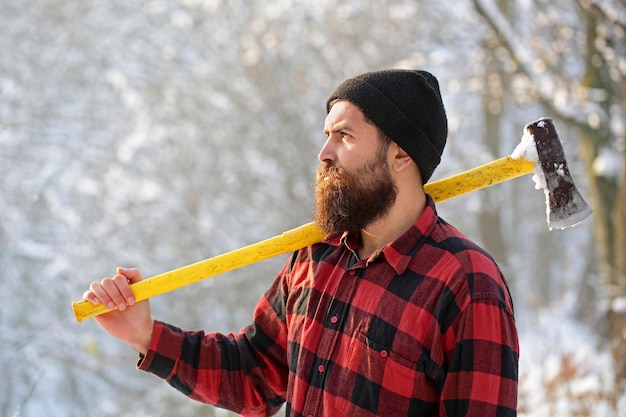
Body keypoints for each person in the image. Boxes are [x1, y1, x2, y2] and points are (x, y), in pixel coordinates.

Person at [83, 69, 519, 416]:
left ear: (401, 154)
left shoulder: (467, 286)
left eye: (344, 135)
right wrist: (146, 336)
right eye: (326, 134)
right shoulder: (317, 255)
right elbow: (254, 372)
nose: (324, 153)